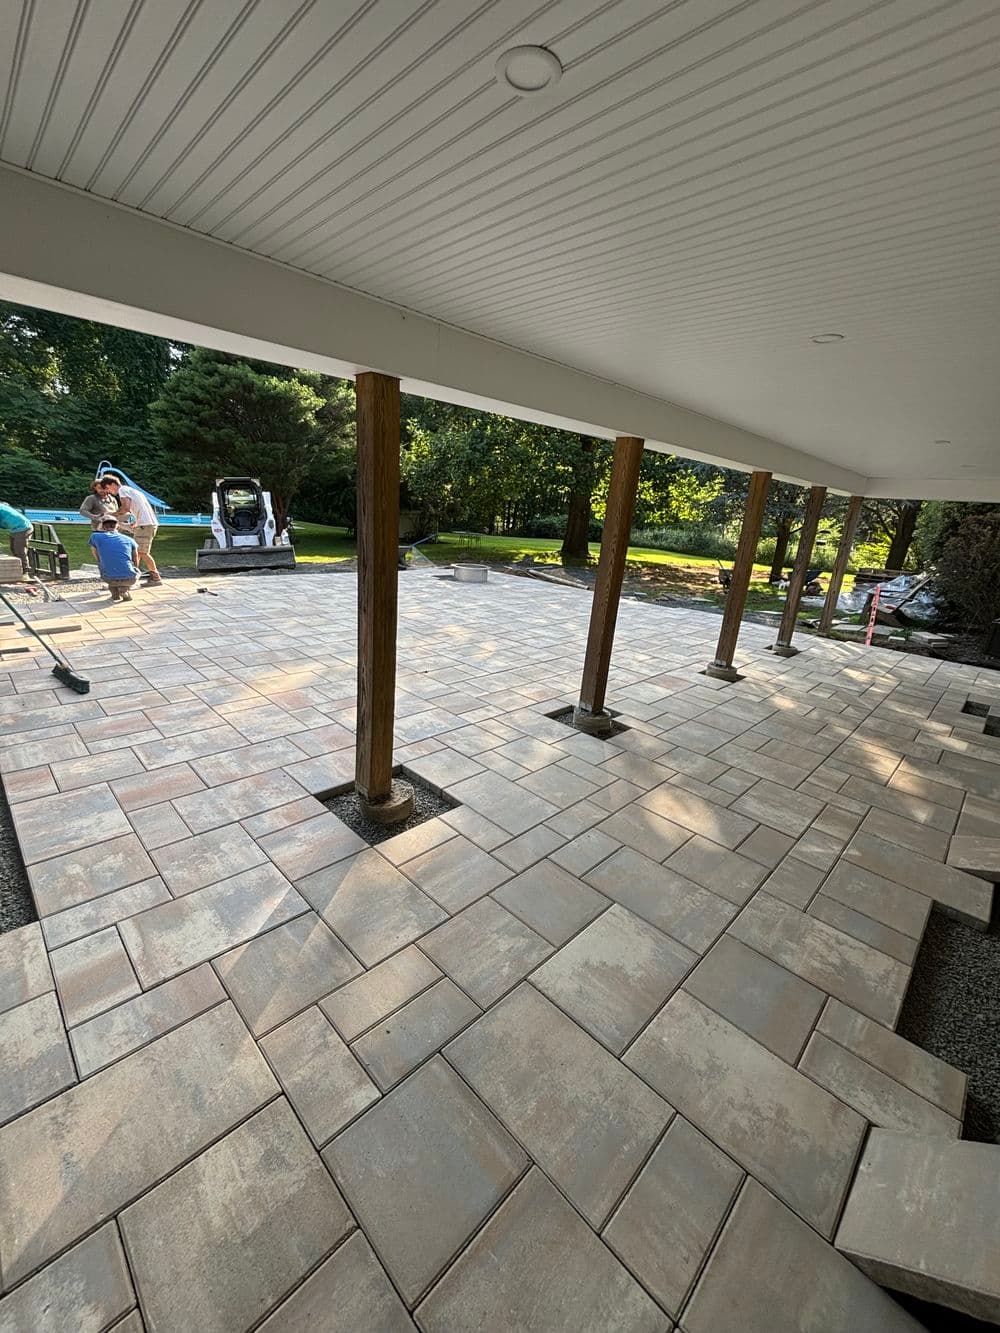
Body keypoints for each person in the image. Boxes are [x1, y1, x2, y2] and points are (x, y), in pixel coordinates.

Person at [97, 475, 162, 586]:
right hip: (145, 524)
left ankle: (154, 578)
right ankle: (131, 577)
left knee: (141, 552)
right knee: (138, 553)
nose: (109, 492)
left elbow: (125, 508)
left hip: (145, 525)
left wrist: (111, 514)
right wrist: (135, 521)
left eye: (108, 489)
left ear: (113, 484)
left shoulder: (122, 490)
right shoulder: (131, 490)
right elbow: (135, 509)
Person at [89, 516, 139, 602]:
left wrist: (100, 562)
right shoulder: (129, 539)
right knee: (132, 569)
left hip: (109, 577)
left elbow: (95, 553)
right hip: (130, 578)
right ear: (117, 526)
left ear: (102, 526)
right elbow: (136, 558)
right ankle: (124, 590)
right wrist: (135, 568)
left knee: (105, 565)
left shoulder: (95, 537)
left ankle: (115, 594)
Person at [0, 500, 33, 574]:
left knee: (19, 550)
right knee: (13, 549)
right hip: (14, 529)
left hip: (23, 528)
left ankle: (25, 572)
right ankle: (18, 570)